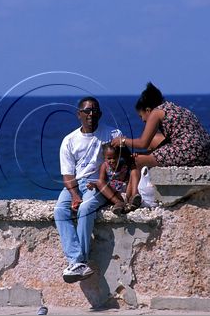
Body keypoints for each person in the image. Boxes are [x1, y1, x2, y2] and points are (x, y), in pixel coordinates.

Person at [54, 96, 123, 284]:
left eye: (94, 110)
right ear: (79, 114)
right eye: (86, 111)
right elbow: (68, 174)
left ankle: (79, 262)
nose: (90, 114)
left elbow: (123, 160)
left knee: (86, 209)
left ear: (100, 114)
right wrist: (75, 195)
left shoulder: (112, 134)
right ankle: (78, 261)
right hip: (77, 183)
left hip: (100, 183)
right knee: (60, 210)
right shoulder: (69, 140)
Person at [112, 82, 210, 168]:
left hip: (192, 151)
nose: (143, 120)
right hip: (209, 151)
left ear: (148, 110)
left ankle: (137, 191)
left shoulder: (156, 112)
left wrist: (123, 140)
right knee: (153, 141)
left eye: (141, 116)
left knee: (136, 161)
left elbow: (142, 143)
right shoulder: (174, 107)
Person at [87, 143, 142, 215]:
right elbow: (102, 182)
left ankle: (134, 196)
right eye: (109, 158)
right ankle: (118, 203)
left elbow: (135, 170)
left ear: (120, 156)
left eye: (115, 157)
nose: (112, 161)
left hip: (127, 192)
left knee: (134, 171)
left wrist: (135, 157)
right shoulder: (104, 166)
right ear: (104, 158)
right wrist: (94, 185)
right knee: (99, 182)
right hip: (115, 195)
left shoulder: (125, 164)